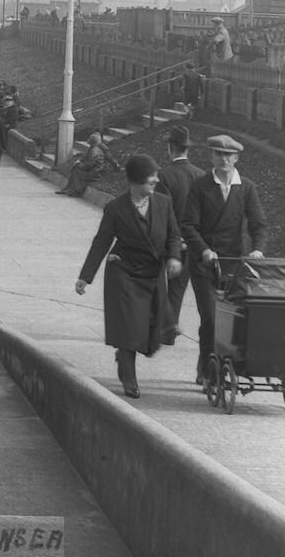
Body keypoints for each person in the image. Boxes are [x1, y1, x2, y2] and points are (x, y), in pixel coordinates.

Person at [75, 155, 183, 398]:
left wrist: (174, 257)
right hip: (124, 273)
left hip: (152, 273)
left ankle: (127, 352)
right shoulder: (116, 209)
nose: (156, 180)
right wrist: (85, 277)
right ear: (135, 181)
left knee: (150, 332)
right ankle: (128, 375)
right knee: (129, 328)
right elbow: (101, 242)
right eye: (150, 177)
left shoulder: (164, 203)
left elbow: (174, 235)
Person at [182, 134, 268, 386]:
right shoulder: (200, 186)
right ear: (211, 156)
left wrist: (258, 250)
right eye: (218, 154)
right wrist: (204, 250)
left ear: (236, 158)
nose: (223, 159)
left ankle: (223, 365)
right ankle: (207, 370)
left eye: (228, 155)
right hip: (205, 265)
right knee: (210, 318)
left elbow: (259, 224)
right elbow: (188, 225)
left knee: (232, 319)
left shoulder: (247, 187)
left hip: (234, 265)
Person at [154, 125, 205, 344]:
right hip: (195, 241)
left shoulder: (164, 176)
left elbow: (162, 211)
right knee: (179, 285)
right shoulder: (202, 175)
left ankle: (167, 328)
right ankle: (169, 327)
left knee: (160, 283)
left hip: (170, 239)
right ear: (187, 149)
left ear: (170, 148)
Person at [57, 132, 119, 197]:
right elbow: (87, 159)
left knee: (76, 171)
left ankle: (74, 191)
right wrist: (80, 162)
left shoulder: (96, 149)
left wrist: (80, 164)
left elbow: (90, 164)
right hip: (94, 168)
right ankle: (69, 189)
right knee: (76, 169)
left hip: (95, 170)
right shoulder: (93, 148)